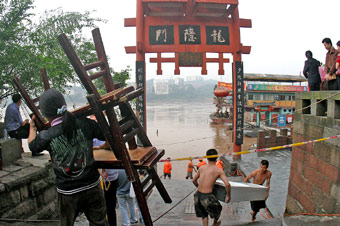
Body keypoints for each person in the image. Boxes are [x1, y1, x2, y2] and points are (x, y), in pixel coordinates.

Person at [28, 88, 107, 226]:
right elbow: (105, 133)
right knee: (99, 223)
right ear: (64, 103)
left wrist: (32, 128)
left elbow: (32, 146)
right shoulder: (84, 123)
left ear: (45, 114)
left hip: (68, 192)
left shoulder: (47, 135)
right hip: (91, 185)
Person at [192, 149, 231, 226]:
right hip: (207, 197)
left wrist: (198, 187)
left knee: (204, 214)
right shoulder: (219, 170)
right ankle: (215, 223)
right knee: (218, 209)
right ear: (216, 157)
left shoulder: (201, 168)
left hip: (197, 195)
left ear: (207, 157)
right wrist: (228, 196)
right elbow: (227, 184)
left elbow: (194, 180)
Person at [93, 137, 119, 226]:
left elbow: (111, 144)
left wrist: (100, 147)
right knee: (98, 209)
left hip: (109, 178)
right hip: (98, 179)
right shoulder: (93, 135)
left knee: (109, 208)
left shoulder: (108, 135)